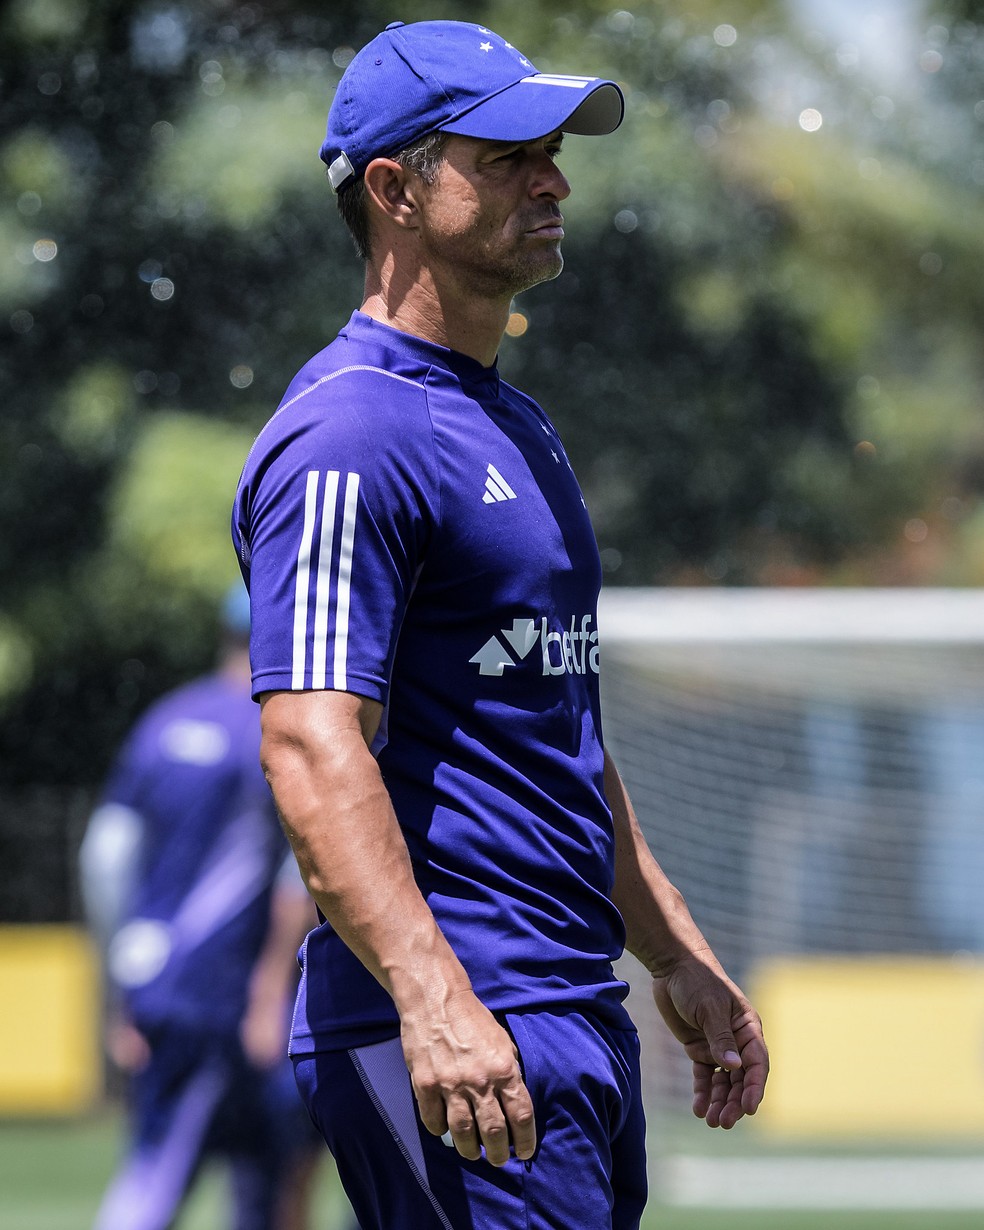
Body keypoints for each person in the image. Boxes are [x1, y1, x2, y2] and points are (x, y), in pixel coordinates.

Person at [231, 19, 769, 1230]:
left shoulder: (513, 423)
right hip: (460, 1034)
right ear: (393, 191)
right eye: (511, 153)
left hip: (565, 1011)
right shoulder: (348, 435)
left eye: (556, 150)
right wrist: (433, 1000)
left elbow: (552, 722)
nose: (556, 179)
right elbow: (311, 746)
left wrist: (671, 953)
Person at [79, 585, 331, 1230]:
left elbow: (104, 860)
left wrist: (124, 984)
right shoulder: (282, 731)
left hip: (166, 987)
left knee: (157, 1167)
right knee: (267, 1185)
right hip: (252, 999)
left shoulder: (162, 722)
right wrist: (272, 987)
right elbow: (295, 875)